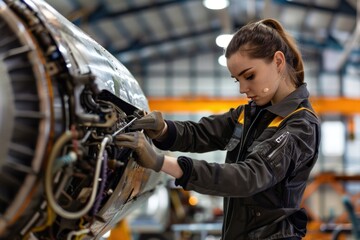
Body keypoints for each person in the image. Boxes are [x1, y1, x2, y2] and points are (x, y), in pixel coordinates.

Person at [116, 18, 321, 240]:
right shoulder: (250, 114)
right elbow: (201, 133)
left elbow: (248, 177)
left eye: (249, 76)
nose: (243, 88)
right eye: (237, 80)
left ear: (278, 61)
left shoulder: (300, 125)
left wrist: (161, 162)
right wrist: (164, 130)